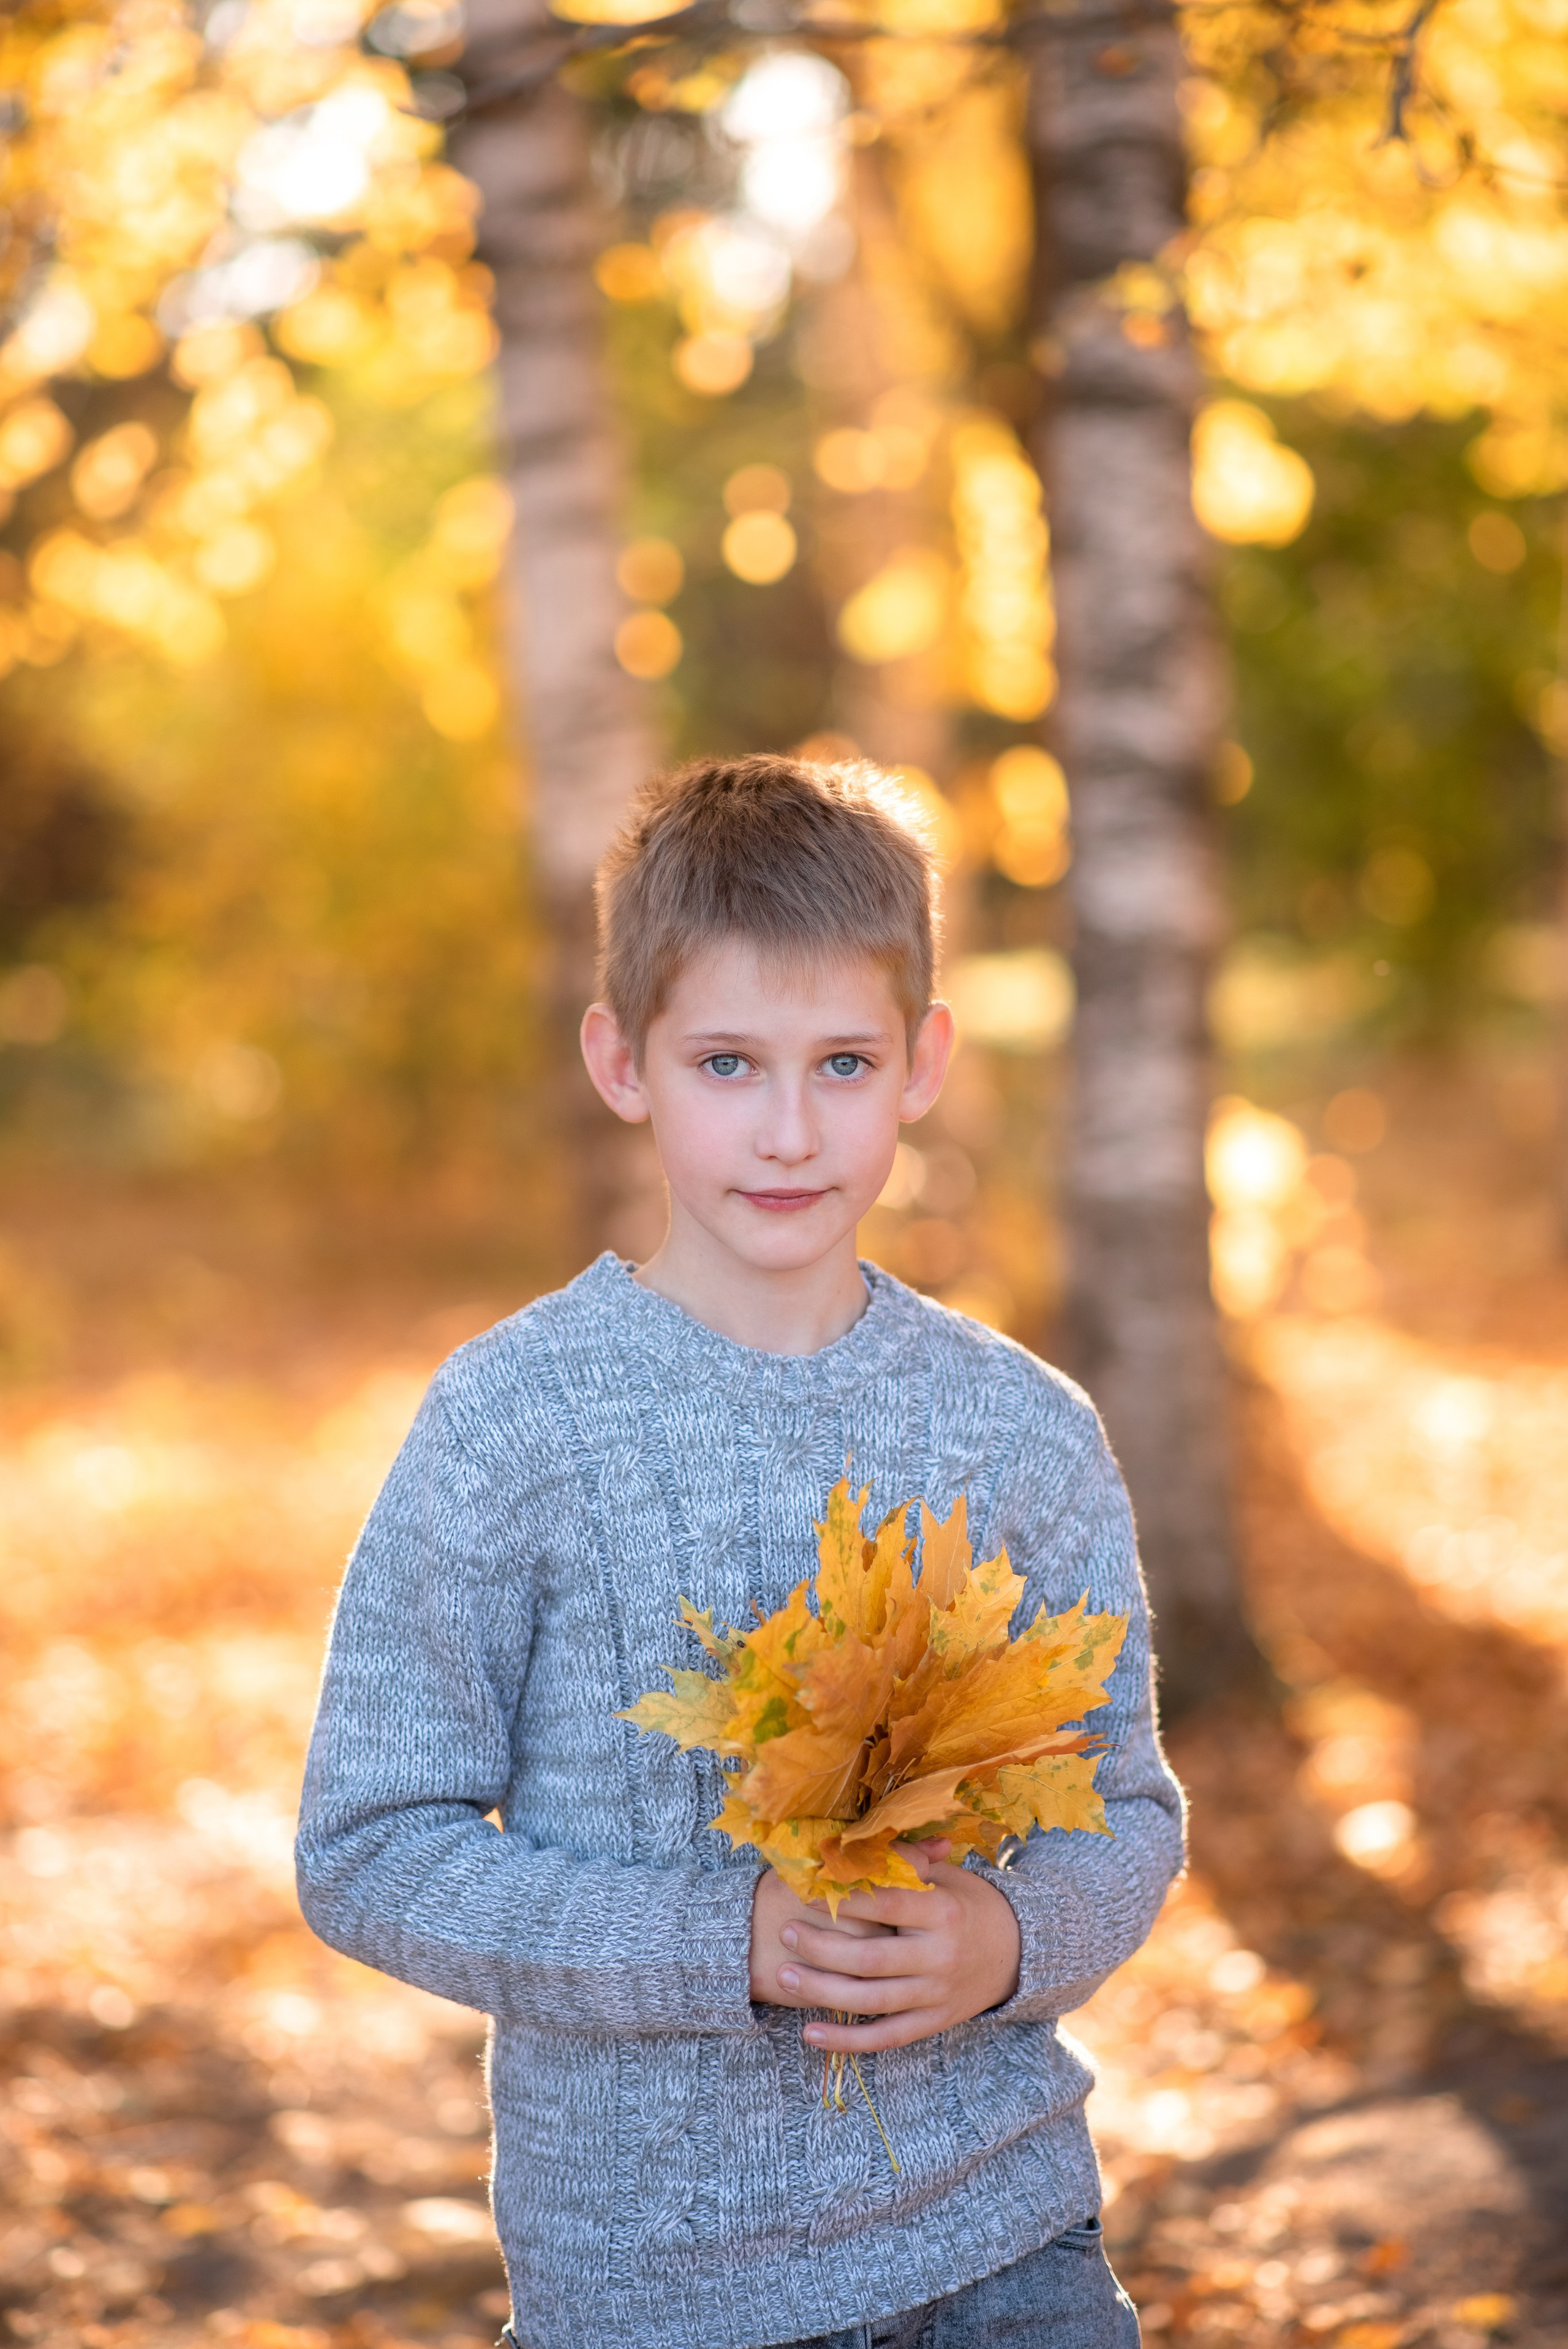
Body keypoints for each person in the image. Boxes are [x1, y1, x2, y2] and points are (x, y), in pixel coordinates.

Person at [296, 753, 1185, 2349]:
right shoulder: (518, 1420)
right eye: (727, 1062)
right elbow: (370, 1840)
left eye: (843, 1062)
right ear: (620, 1061)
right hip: (659, 2287)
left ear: (923, 1062)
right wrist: (722, 1941)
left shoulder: (1020, 1427)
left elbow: (1124, 1804)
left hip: (1003, 2244)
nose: (788, 1130)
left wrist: (1009, 1938)